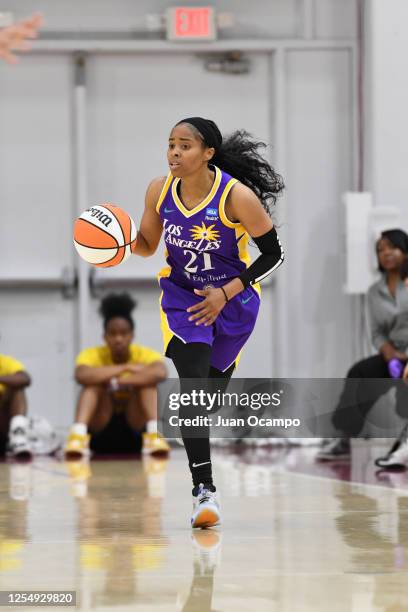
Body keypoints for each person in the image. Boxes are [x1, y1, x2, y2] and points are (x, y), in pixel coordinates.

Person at [133, 117, 284, 527]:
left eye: (185, 146)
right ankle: (205, 492)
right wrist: (117, 239)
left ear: (208, 154)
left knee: (205, 401)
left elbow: (273, 255)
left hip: (232, 302)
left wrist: (226, 292)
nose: (174, 154)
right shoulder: (158, 191)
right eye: (170, 145)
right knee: (194, 390)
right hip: (184, 300)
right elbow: (147, 247)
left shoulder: (236, 197)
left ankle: (199, 410)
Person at [317, 229, 408, 463]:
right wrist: (390, 355)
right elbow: (376, 332)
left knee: (403, 404)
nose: (386, 253)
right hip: (394, 354)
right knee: (360, 373)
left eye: (392, 247)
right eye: (380, 250)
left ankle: (403, 446)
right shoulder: (374, 292)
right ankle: (343, 438)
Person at [64, 293, 169, 459]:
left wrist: (115, 381)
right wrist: (125, 367)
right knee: (92, 385)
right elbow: (81, 375)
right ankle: (78, 436)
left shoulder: (145, 354)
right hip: (102, 428)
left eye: (123, 333)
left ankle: (154, 435)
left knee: (148, 385)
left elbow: (160, 372)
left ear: (131, 335)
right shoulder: (92, 354)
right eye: (112, 334)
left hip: (135, 427)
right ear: (104, 337)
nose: (118, 339)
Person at [0, 352, 31, 458]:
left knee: (17, 387)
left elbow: (25, 379)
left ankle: (18, 437)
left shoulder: (5, 362)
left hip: (3, 427)